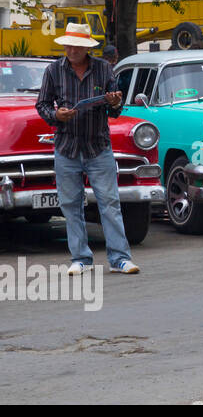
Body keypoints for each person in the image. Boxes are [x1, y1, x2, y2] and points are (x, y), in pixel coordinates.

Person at [35, 23, 139, 275]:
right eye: (68, 45)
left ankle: (120, 259)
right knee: (71, 205)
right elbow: (42, 105)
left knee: (110, 203)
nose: (71, 49)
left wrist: (115, 101)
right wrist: (56, 115)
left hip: (98, 146)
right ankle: (80, 258)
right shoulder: (53, 71)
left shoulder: (104, 69)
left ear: (86, 47)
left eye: (76, 45)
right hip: (66, 147)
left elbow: (115, 110)